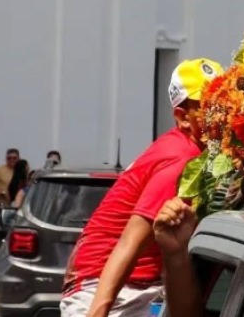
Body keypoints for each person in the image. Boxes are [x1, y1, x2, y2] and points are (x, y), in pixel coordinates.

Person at [60, 58, 224, 317]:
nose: (220, 113)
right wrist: (98, 311)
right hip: (109, 288)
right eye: (209, 106)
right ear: (182, 117)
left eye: (223, 101)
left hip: (134, 287)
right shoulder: (183, 159)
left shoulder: (193, 151)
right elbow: (129, 244)